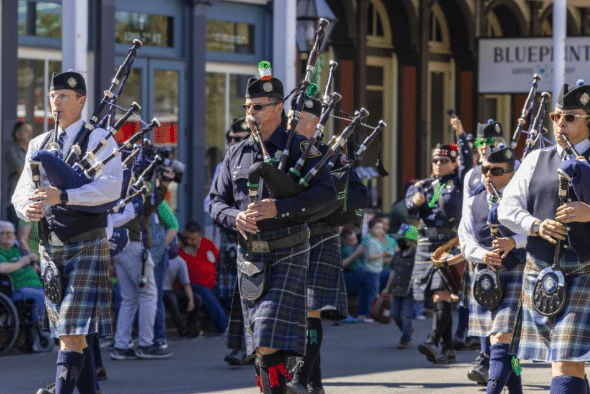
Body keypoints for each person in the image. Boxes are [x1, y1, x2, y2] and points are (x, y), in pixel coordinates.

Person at [209, 61, 336, 394]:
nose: (250, 112)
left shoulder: (300, 149)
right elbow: (214, 202)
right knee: (264, 345)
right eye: (248, 107)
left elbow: (327, 194)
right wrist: (233, 217)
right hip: (249, 257)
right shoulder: (236, 154)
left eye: (258, 107)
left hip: (288, 251)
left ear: (279, 108)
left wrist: (280, 207)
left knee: (265, 335)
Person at [12, 71, 122, 394]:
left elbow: (111, 189)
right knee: (70, 335)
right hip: (50, 247)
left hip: (88, 244)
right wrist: (27, 209)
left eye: (64, 97)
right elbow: (21, 192)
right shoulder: (38, 143)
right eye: (52, 96)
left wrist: (64, 196)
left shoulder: (100, 139)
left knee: (72, 333)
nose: (56, 103)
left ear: (82, 101)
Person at [498, 80, 590, 393]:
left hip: (584, 268)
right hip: (541, 271)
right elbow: (506, 208)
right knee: (564, 360)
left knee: (566, 361)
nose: (560, 124)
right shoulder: (537, 159)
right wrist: (535, 225)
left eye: (569, 118)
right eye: (556, 117)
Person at [284, 94, 368, 394]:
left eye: (298, 119)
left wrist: (330, 202)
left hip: (321, 237)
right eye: (290, 116)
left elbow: (359, 196)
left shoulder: (329, 154)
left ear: (315, 123)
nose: (291, 122)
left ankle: (300, 379)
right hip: (288, 238)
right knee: (297, 312)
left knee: (312, 309)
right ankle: (315, 385)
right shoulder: (282, 152)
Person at [459, 145, 525, 393]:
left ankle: (492, 389)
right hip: (484, 272)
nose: (488, 175)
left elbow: (536, 230)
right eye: (485, 169)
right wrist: (481, 254)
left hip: (518, 270)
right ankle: (515, 389)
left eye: (495, 171)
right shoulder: (474, 196)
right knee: (510, 347)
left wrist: (514, 242)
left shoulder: (523, 196)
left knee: (502, 338)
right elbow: (464, 237)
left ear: (511, 172)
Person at [406, 123, 472, 364]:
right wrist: (415, 201)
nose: (438, 164)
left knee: (440, 293)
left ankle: (434, 340)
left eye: (444, 161)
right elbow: (410, 208)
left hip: (449, 242)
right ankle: (448, 348)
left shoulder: (461, 182)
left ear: (454, 164)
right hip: (425, 242)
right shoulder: (422, 185)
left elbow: (467, 160)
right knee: (438, 296)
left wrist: (460, 136)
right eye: (435, 161)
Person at [178, 221, 229, 334]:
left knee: (228, 294)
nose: (189, 241)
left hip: (211, 285)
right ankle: (225, 327)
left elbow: (219, 261)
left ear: (199, 236)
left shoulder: (207, 244)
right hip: (189, 286)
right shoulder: (180, 249)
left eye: (193, 239)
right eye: (187, 238)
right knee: (205, 293)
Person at [381, 223, 418, 349]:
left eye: (403, 239)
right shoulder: (397, 255)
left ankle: (405, 339)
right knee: (395, 315)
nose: (399, 241)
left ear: (412, 241)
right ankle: (407, 329)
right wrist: (387, 287)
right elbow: (393, 271)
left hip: (409, 290)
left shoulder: (416, 256)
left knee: (405, 315)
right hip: (396, 290)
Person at [0, 220, 43, 323]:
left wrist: (33, 261)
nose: (9, 236)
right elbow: (1, 268)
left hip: (35, 286)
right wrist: (22, 263)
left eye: (10, 233)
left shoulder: (16, 250)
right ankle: (41, 328)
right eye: (4, 233)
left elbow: (34, 268)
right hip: (16, 290)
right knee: (42, 296)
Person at [162, 254, 202, 337]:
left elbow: (186, 283)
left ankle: (191, 328)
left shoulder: (179, 261)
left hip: (169, 289)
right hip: (157, 290)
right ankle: (183, 330)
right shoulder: (156, 256)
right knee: (171, 298)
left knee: (197, 299)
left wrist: (191, 300)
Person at [5, 121, 33, 228]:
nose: (30, 134)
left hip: (32, 201)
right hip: (16, 202)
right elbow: (22, 172)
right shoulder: (12, 152)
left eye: (31, 131)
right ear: (18, 134)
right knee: (17, 235)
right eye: (26, 131)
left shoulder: (33, 152)